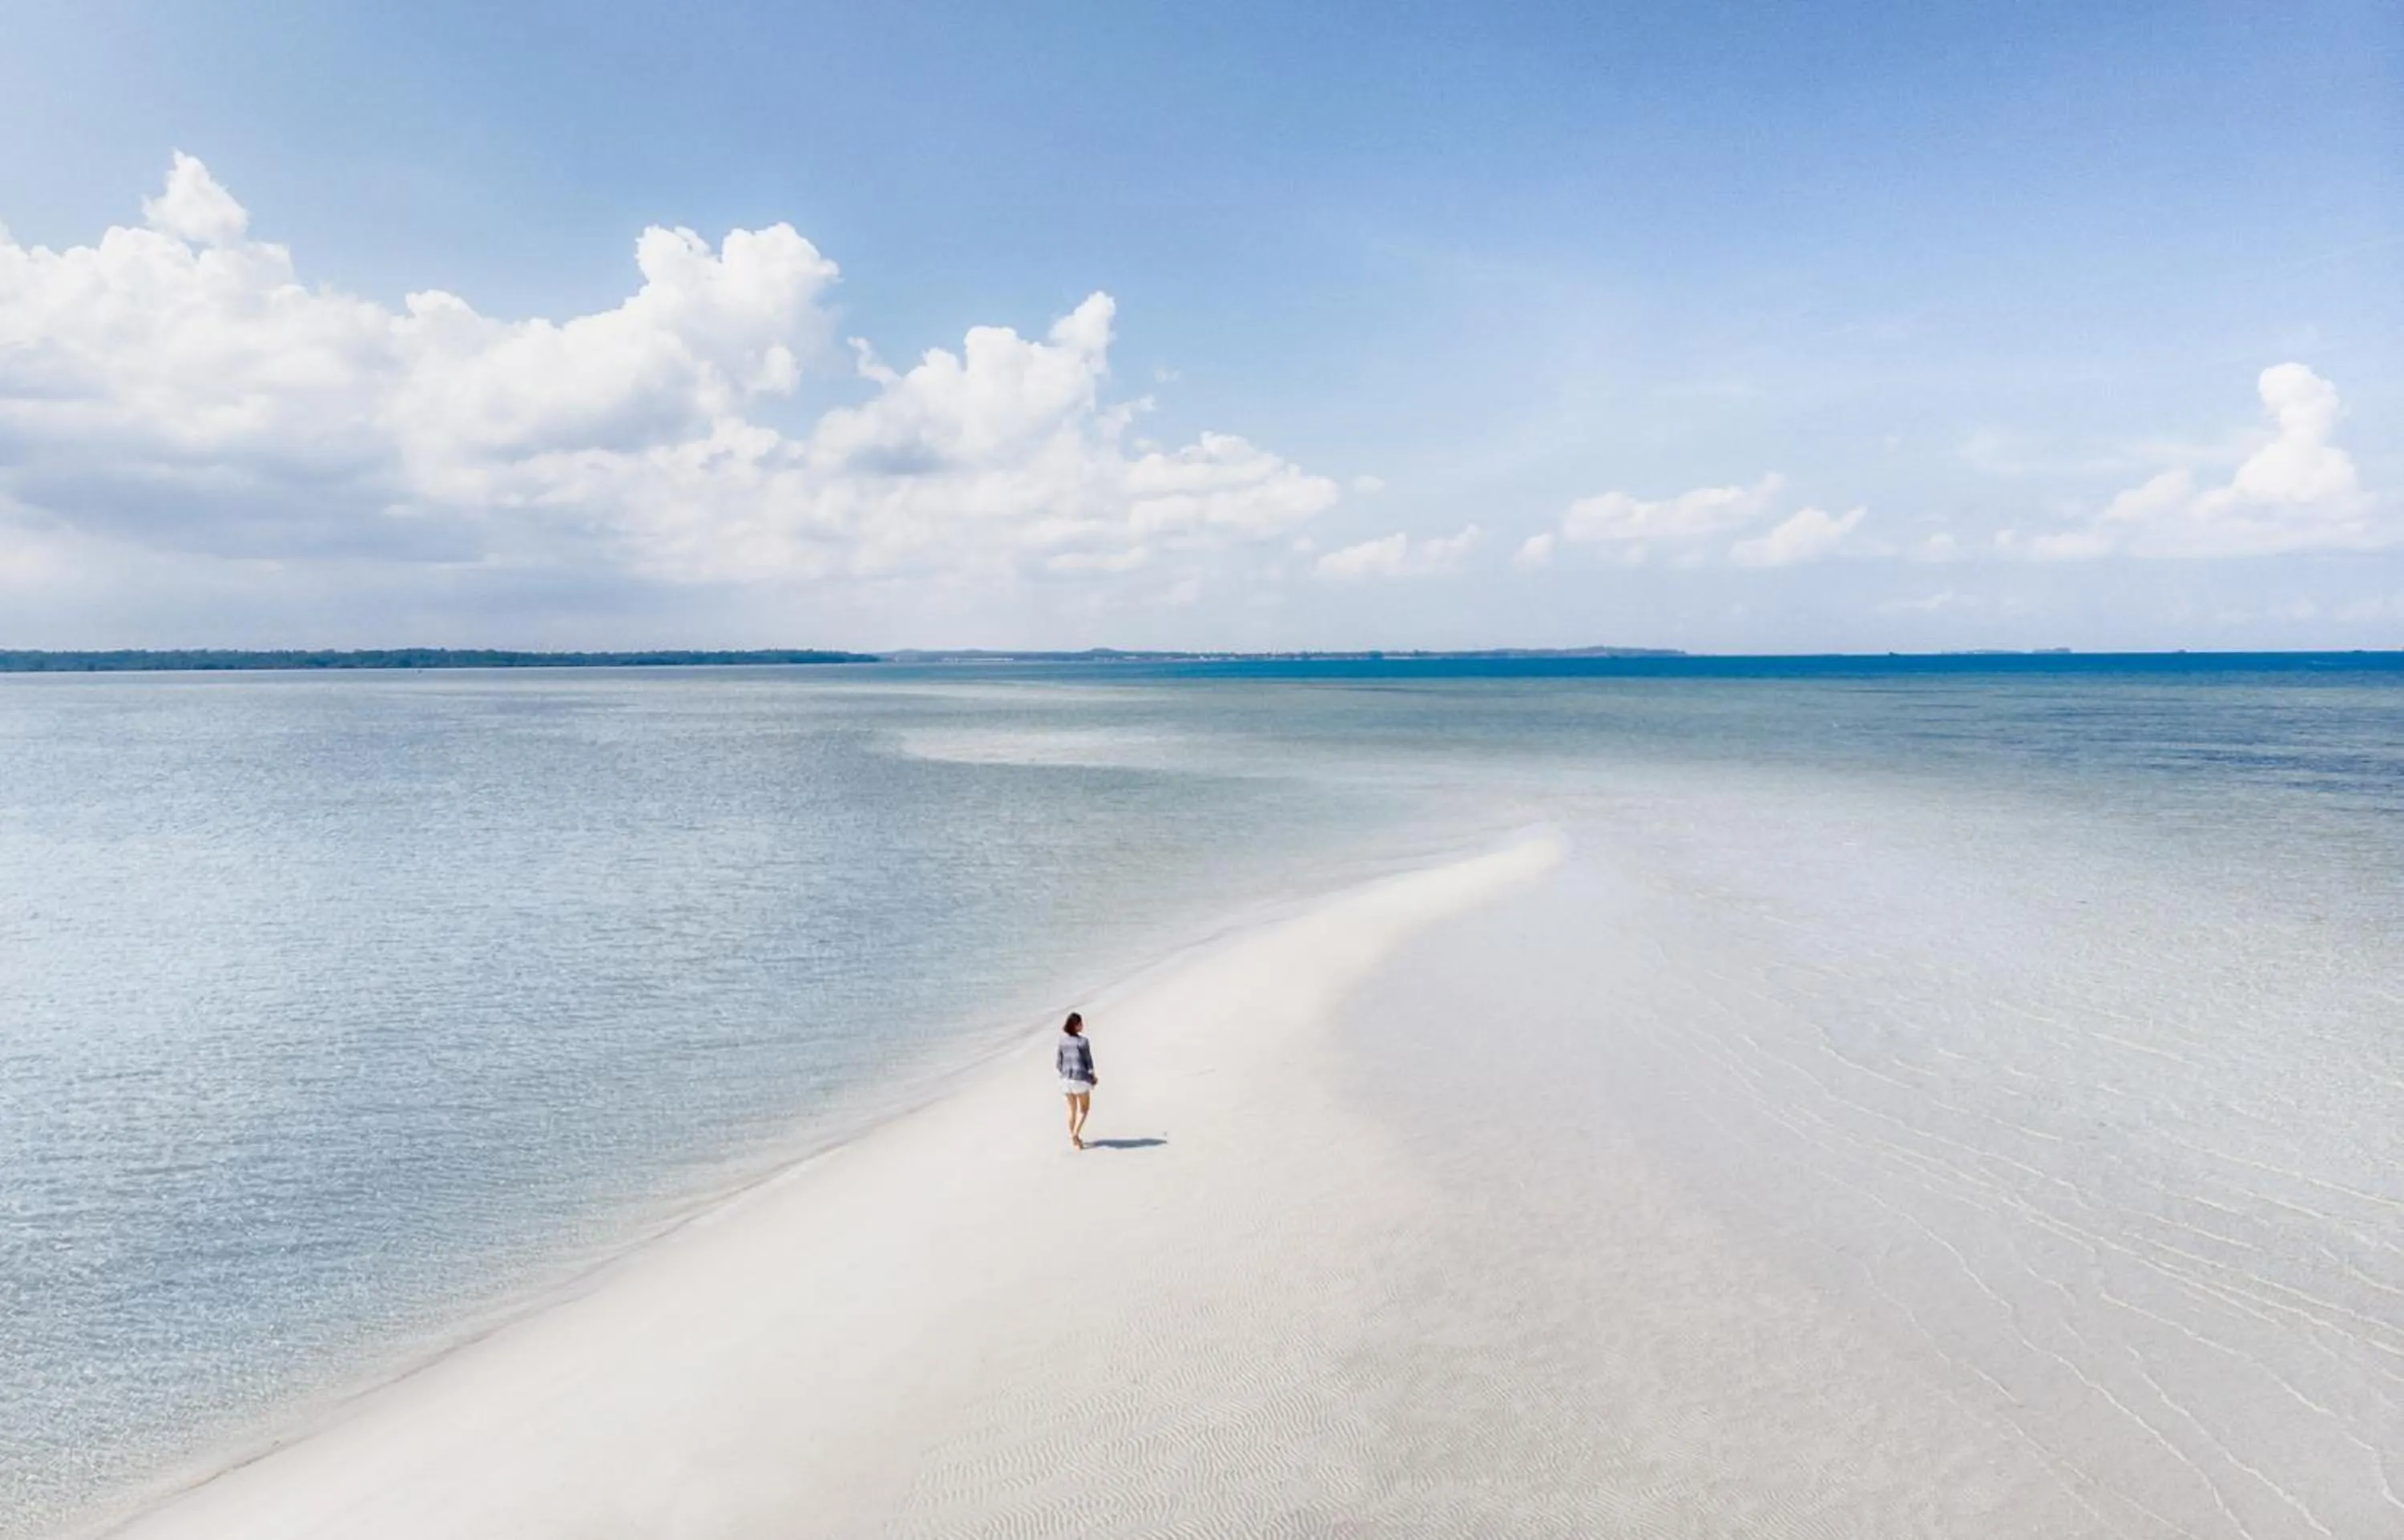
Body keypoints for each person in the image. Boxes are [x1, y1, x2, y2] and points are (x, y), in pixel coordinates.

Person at [1057, 1011, 1097, 1149]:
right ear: (1076, 1026)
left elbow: (1058, 1064)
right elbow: (1088, 1063)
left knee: (1072, 1110)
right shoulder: (1083, 1041)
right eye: (1081, 1023)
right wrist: (1093, 1077)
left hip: (1065, 1079)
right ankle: (1075, 1134)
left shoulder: (1062, 1041)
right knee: (1084, 1108)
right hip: (1079, 1079)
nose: (1083, 1025)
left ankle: (1076, 1141)